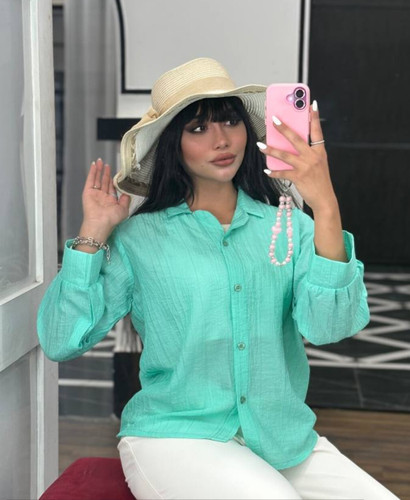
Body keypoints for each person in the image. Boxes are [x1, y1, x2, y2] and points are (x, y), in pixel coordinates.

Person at [37, 58, 399, 500]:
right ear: (173, 144)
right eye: (198, 128)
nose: (222, 139)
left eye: (230, 121)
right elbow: (60, 340)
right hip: (175, 437)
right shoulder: (138, 239)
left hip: (280, 438)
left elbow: (329, 328)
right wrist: (93, 233)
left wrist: (324, 204)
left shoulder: (290, 227)